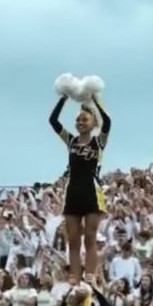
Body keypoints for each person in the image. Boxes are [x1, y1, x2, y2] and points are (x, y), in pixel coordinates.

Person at [49, 91, 112, 283]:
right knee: (73, 240)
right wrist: (64, 98)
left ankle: (91, 276)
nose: (80, 122)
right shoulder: (71, 141)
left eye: (84, 119)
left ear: (94, 122)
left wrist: (95, 100)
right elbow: (53, 121)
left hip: (91, 192)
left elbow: (107, 121)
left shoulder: (98, 142)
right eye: (78, 120)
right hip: (73, 192)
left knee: (90, 238)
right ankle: (75, 277)